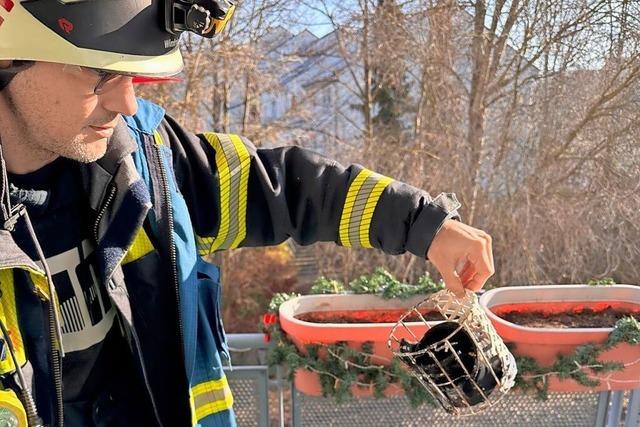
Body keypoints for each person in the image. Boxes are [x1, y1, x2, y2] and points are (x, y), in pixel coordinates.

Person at [0, 1, 494, 426]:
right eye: (100, 73)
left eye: (131, 72)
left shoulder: (147, 161)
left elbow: (283, 189)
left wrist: (424, 226)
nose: (126, 100)